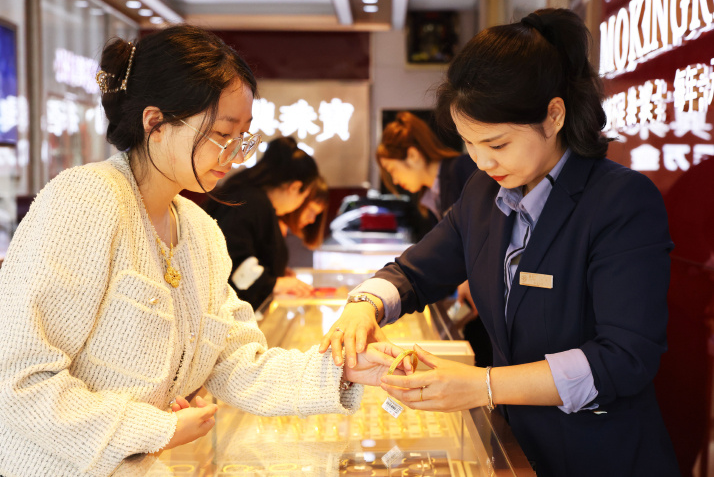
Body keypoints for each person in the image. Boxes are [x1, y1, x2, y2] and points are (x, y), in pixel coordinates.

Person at [0, 25, 407, 477]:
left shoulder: (199, 231)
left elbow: (236, 362)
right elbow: (19, 379)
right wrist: (156, 429)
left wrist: (344, 370)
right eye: (221, 134)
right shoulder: (86, 200)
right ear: (155, 123)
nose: (236, 155)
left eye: (243, 137)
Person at [319, 9, 680, 477]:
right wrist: (364, 305)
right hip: (517, 449)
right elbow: (415, 272)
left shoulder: (620, 202)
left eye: (497, 144)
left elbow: (623, 358)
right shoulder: (484, 194)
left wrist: (484, 385)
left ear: (554, 115)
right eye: (468, 143)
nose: (482, 161)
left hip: (601, 456)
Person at [378, 111, 490, 366]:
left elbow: (483, 232)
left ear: (413, 156)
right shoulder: (429, 199)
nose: (394, 180)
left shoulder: (463, 171)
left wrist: (471, 276)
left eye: (392, 170)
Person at [203, 136, 318, 309]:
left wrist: (275, 275)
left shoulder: (252, 197)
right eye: (304, 196)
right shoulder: (251, 201)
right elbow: (232, 257)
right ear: (294, 187)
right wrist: (273, 283)